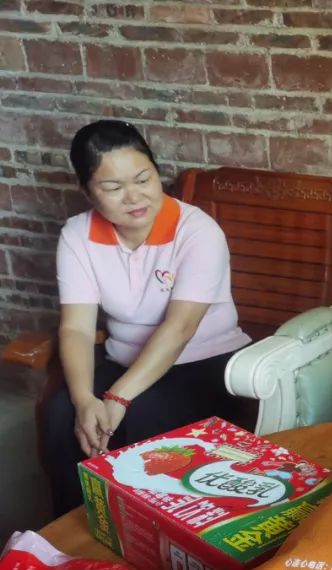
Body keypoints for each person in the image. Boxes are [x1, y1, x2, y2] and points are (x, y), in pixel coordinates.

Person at [43, 120, 250, 516]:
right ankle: (74, 537)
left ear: (157, 174)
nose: (134, 197)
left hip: (203, 364)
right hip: (123, 360)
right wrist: (84, 399)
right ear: (87, 191)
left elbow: (180, 328)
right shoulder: (77, 235)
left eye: (143, 179)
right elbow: (77, 327)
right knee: (62, 415)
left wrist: (117, 398)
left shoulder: (197, 231)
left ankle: (147, 540)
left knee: (142, 420)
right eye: (113, 188)